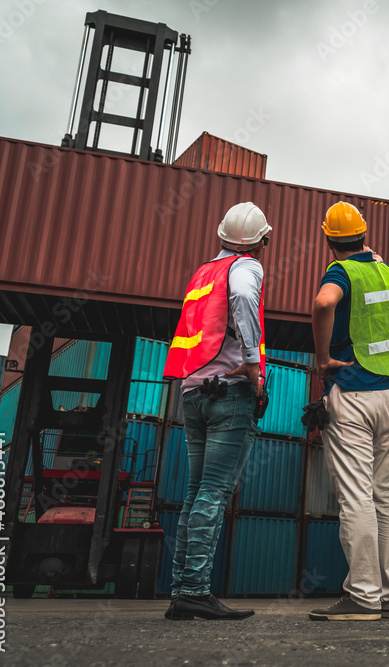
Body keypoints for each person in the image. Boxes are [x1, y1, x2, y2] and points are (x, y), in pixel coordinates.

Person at [162, 202, 270, 621]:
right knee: (214, 491)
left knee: (194, 492)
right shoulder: (247, 268)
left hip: (192, 392)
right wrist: (251, 364)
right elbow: (244, 296)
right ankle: (194, 590)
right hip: (229, 392)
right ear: (264, 240)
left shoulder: (202, 273)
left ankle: (181, 591)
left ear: (220, 233)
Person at [309, 201, 389, 621]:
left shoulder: (340, 272)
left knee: (355, 498)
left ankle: (363, 597)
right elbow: (375, 261)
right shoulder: (383, 270)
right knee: (385, 496)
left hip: (351, 395)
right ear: (364, 235)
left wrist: (323, 359)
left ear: (328, 238)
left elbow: (322, 303)